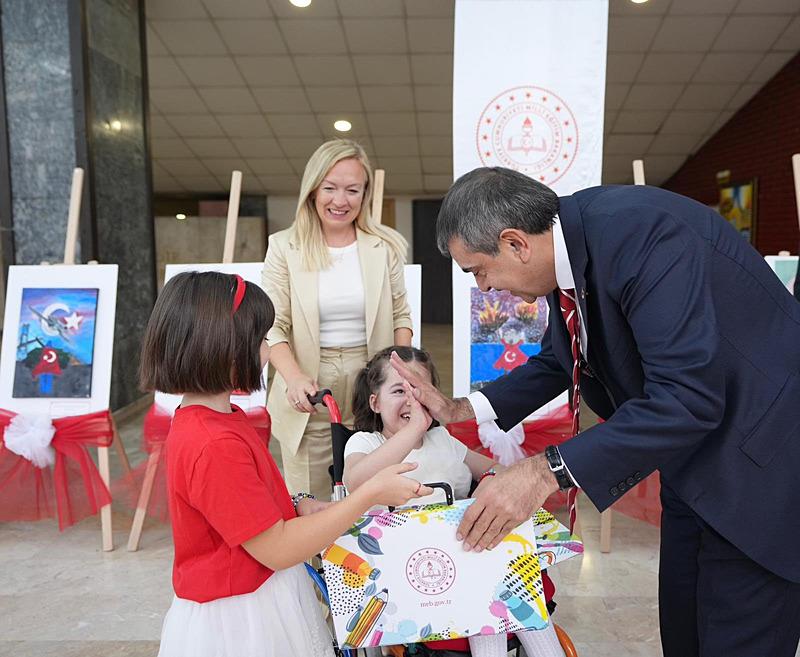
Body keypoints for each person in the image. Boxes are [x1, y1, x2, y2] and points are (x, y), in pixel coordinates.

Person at [393, 167, 800, 657]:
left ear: (516, 243)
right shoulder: (578, 247)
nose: (485, 289)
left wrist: (544, 472)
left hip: (759, 468)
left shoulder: (643, 236)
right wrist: (461, 408)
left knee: (735, 636)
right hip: (694, 468)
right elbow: (560, 358)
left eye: (479, 270)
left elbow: (687, 396)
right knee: (685, 627)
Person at [139, 271, 431, 657]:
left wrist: (295, 507)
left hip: (257, 597)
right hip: (243, 620)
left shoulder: (217, 419)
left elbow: (237, 512)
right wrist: (369, 495)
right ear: (225, 347)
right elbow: (276, 547)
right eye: (261, 340)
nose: (267, 351)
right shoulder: (213, 443)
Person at [344, 346, 566, 657]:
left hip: (467, 556)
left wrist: (490, 484)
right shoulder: (365, 443)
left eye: (419, 390)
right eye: (399, 390)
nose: (411, 399)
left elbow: (497, 472)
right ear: (375, 402)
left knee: (509, 579)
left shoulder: (443, 440)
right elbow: (356, 482)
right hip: (412, 568)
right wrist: (415, 428)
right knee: (489, 585)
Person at [262, 139, 412, 502]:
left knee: (371, 491)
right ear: (313, 190)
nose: (340, 200)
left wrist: (400, 377)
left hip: (371, 374)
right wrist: (294, 377)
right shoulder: (285, 247)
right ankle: (315, 560)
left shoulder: (386, 246)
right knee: (311, 500)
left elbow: (401, 316)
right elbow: (272, 325)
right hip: (310, 381)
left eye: (352, 190)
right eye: (330, 188)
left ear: (365, 193)